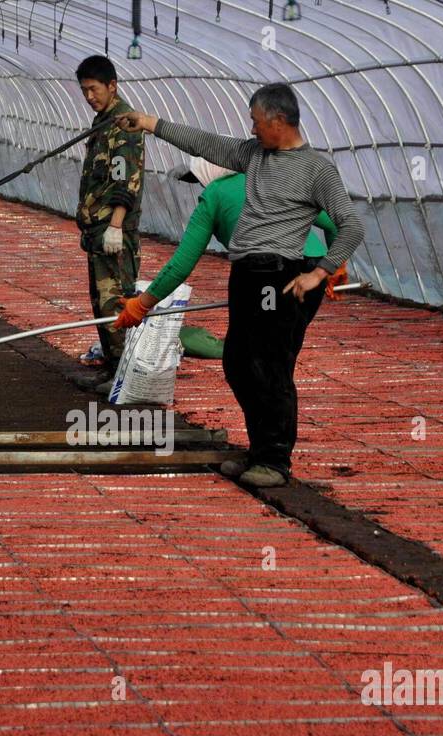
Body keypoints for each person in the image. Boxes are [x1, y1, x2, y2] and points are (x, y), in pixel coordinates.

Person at [117, 83, 364, 487]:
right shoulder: (254, 156)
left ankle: (275, 461)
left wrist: (321, 271)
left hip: (279, 276)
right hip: (246, 275)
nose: (251, 129)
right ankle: (259, 448)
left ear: (279, 121)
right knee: (237, 362)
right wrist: (150, 123)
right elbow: (207, 143)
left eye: (256, 121)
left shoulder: (315, 170)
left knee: (270, 366)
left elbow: (350, 224)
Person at [115, 155, 344, 340]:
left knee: (255, 355)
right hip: (311, 272)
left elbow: (181, 264)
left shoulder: (214, 196)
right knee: (284, 348)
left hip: (271, 278)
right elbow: (334, 224)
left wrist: (142, 304)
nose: (202, 186)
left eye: (201, 180)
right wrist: (333, 267)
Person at [74, 55, 144, 384]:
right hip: (98, 230)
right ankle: (114, 372)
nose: (89, 96)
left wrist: (115, 226)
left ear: (112, 86)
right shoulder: (102, 120)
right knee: (101, 303)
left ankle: (124, 379)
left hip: (113, 230)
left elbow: (126, 179)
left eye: (94, 89)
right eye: (84, 90)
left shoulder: (122, 123)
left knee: (115, 302)